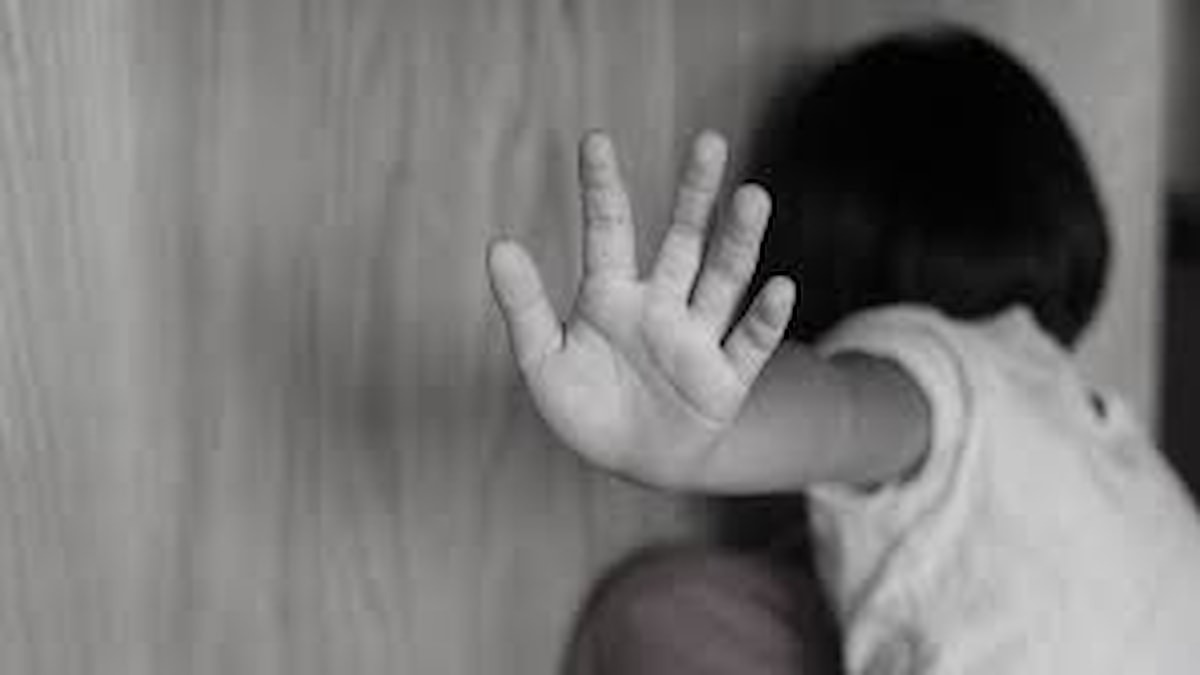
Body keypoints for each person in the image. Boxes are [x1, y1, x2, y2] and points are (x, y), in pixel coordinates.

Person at [486, 25, 1200, 674]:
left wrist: (714, 440)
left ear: (829, 245)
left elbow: (843, 412)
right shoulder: (1113, 447)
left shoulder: (938, 366)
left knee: (658, 613)